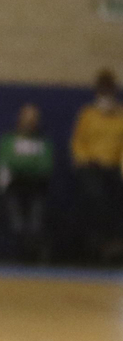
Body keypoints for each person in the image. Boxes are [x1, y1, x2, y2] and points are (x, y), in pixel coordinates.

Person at [70, 69, 123, 263]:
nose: (106, 97)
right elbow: (78, 143)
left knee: (114, 205)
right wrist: (85, 160)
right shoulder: (88, 115)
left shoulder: (121, 118)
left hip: (113, 170)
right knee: (95, 199)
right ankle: (93, 247)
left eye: (109, 93)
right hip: (90, 169)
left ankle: (114, 247)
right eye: (103, 93)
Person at [0, 103, 52, 262]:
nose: (29, 122)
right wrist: (25, 166)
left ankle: (32, 247)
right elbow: (5, 163)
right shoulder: (8, 141)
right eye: (26, 118)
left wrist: (24, 167)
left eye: (33, 119)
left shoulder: (43, 143)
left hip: (36, 187)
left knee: (36, 213)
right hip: (13, 187)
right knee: (13, 205)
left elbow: (45, 166)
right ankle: (18, 240)